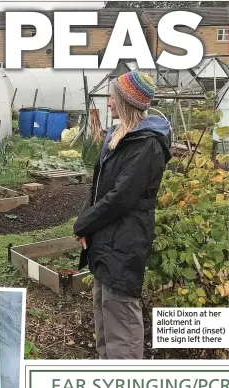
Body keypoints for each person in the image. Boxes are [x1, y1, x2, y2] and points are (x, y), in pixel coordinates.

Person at [73, 70, 172, 360]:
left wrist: (84, 223)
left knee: (122, 321)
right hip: (105, 237)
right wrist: (86, 225)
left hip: (125, 240)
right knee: (104, 310)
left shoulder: (148, 145)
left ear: (127, 102)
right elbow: (98, 188)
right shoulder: (119, 137)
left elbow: (120, 198)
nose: (107, 104)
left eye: (112, 98)